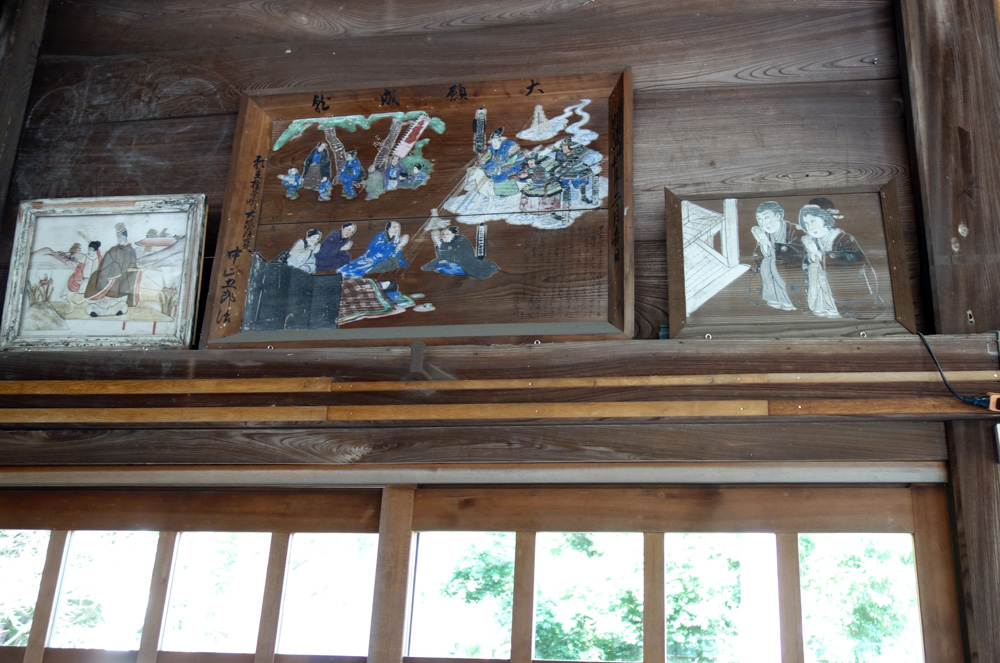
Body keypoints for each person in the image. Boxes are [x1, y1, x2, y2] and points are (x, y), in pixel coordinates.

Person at [84, 223, 141, 316]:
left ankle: (118, 309)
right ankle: (96, 309)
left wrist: (124, 271)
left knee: (119, 296)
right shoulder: (113, 250)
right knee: (97, 278)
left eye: (121, 237)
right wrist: (114, 269)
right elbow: (104, 263)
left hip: (122, 280)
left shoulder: (131, 251)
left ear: (125, 237)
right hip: (109, 277)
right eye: (118, 237)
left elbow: (132, 265)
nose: (119, 239)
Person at [750, 201, 796, 310]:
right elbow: (759, 258)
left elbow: (796, 254)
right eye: (759, 219)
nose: (763, 223)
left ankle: (788, 299)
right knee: (767, 261)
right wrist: (764, 243)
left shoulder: (793, 230)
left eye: (766, 218)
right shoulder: (764, 234)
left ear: (778, 216)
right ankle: (774, 298)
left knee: (771, 261)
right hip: (774, 271)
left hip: (793, 269)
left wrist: (771, 247)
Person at [422, 226, 500, 279]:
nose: (445, 236)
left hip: (465, 262)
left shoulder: (461, 239)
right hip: (451, 261)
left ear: (454, 234)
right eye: (443, 234)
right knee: (436, 266)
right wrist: (439, 245)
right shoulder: (442, 242)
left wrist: (442, 247)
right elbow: (440, 256)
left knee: (446, 268)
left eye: (447, 234)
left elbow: (456, 255)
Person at [337, 221, 410, 277]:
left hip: (385, 259)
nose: (397, 229)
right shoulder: (380, 238)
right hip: (371, 259)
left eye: (398, 227)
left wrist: (400, 246)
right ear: (388, 228)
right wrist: (398, 247)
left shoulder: (396, 238)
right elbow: (380, 254)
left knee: (394, 262)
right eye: (394, 227)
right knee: (384, 264)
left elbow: (398, 255)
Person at [478, 127, 523, 197]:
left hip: (508, 173)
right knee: (497, 187)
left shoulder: (508, 147)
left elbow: (518, 158)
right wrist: (486, 167)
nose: (494, 144)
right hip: (496, 174)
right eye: (493, 142)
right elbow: (486, 163)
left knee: (510, 188)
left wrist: (509, 167)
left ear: (500, 141)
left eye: (496, 141)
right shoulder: (490, 151)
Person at [554, 139, 595, 205]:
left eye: (565, 146)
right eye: (563, 146)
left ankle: (583, 196)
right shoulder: (560, 152)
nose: (564, 148)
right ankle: (561, 198)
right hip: (565, 170)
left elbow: (580, 157)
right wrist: (564, 164)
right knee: (561, 182)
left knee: (581, 181)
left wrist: (573, 158)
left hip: (577, 169)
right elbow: (558, 161)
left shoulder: (575, 149)